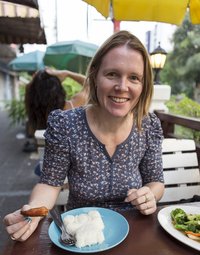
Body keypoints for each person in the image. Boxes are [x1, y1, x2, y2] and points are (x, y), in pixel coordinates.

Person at [4, 30, 165, 242]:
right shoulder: (66, 124)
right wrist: (34, 211)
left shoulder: (148, 126)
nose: (122, 86)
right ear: (95, 76)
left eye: (134, 78)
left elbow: (156, 182)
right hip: (80, 236)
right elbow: (50, 184)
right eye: (112, 74)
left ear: (143, 86)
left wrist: (149, 195)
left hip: (133, 231)